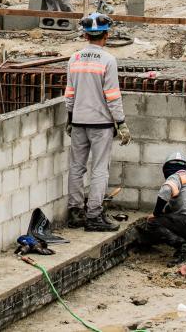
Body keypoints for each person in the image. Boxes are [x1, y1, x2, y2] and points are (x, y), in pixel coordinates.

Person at [64, 12, 131, 232]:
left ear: (85, 36)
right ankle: (93, 215)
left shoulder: (74, 59)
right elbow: (112, 96)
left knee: (76, 167)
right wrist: (120, 123)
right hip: (100, 124)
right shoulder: (108, 60)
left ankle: (75, 212)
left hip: (78, 121)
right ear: (106, 35)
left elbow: (70, 94)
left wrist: (69, 117)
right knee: (100, 169)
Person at [135, 152, 186, 265]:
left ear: (167, 168)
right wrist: (163, 212)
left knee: (154, 223)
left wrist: (156, 214)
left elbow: (165, 191)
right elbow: (173, 209)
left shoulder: (176, 177)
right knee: (179, 221)